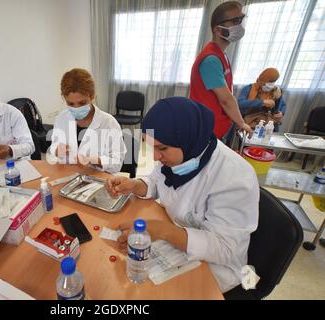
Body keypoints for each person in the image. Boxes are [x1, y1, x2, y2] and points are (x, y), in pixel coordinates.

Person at [105, 97, 259, 293]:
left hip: (217, 267)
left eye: (161, 148)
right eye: (150, 146)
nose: (154, 156)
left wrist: (163, 231)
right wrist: (135, 185)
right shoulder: (182, 152)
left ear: (187, 138)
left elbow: (224, 248)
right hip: (178, 246)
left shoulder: (234, 175)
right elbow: (156, 182)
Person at [190, 1, 252, 140]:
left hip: (216, 125)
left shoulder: (221, 54)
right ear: (218, 30)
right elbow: (226, 99)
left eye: (242, 19)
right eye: (236, 20)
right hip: (207, 128)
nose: (240, 25)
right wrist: (241, 123)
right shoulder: (211, 59)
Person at [48, 68, 126, 174]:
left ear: (92, 96)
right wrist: (56, 150)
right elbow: (54, 145)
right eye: (70, 104)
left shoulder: (108, 123)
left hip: (97, 180)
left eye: (82, 103)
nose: (76, 108)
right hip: (67, 176)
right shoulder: (62, 118)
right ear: (64, 98)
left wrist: (95, 160)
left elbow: (117, 163)